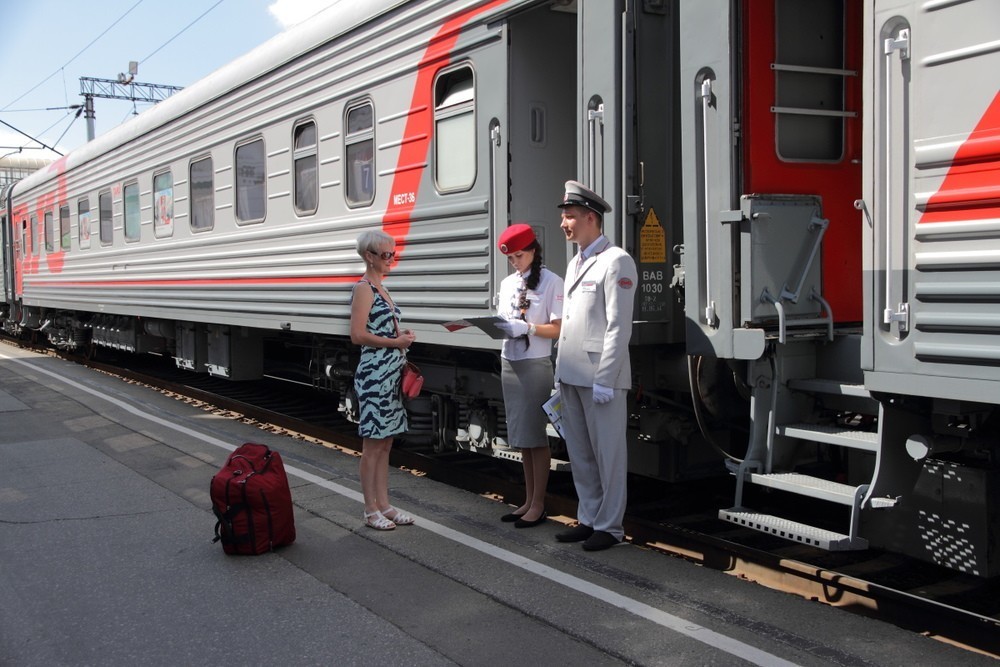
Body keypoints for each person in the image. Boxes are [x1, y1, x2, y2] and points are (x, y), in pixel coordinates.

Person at [553, 180, 637, 551]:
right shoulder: (576, 261)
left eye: (569, 217)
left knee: (608, 454)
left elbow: (619, 326)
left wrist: (605, 378)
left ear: (590, 218)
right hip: (572, 374)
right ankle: (589, 518)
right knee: (581, 454)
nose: (563, 223)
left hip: (600, 377)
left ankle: (610, 526)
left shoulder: (616, 260)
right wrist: (559, 375)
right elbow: (571, 321)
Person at [494, 224, 564, 528]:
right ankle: (528, 499)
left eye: (519, 256)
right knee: (522, 436)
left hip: (535, 364)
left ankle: (538, 504)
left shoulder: (552, 282)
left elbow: (558, 328)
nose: (515, 262)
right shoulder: (509, 283)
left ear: (533, 250)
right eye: (511, 258)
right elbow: (503, 319)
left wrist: (530, 329)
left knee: (535, 436)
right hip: (510, 361)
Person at [350, 229, 417, 530]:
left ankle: (384, 505)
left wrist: (400, 337)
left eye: (393, 253)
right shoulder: (364, 288)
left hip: (389, 374)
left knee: (386, 443)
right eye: (386, 254)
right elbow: (358, 335)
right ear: (369, 257)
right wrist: (395, 343)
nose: (392, 259)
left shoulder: (382, 288)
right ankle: (369, 509)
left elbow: (380, 331)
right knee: (373, 444)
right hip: (375, 375)